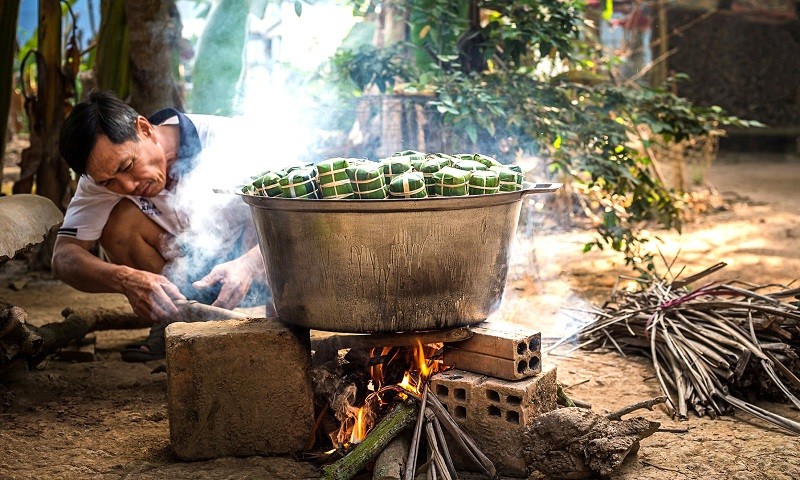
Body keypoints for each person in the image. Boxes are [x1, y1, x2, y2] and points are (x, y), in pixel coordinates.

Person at [53, 90, 269, 362]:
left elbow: (298, 226)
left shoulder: (228, 139)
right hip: (183, 278)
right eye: (110, 182)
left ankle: (281, 326)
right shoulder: (102, 176)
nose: (127, 186)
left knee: (273, 215)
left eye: (128, 165)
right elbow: (63, 256)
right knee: (118, 223)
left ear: (144, 128)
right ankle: (177, 322)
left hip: (259, 270)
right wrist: (125, 279)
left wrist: (249, 264)